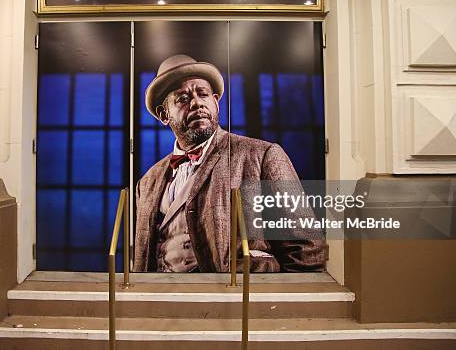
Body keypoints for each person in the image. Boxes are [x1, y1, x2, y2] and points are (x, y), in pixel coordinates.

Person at [134, 54, 326, 273]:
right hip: (162, 301)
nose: (197, 103)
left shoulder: (262, 156)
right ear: (163, 114)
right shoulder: (147, 182)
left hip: (235, 301)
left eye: (203, 94)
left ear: (215, 102)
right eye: (183, 98)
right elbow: (141, 258)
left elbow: (307, 252)